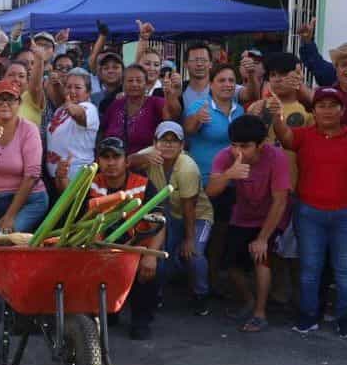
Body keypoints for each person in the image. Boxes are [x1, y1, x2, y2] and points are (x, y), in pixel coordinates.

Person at [271, 88, 347, 338]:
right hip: (309, 213)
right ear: (313, 110)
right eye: (321, 105)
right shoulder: (304, 135)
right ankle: (308, 317)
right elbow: (285, 137)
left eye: (333, 105)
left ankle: (346, 321)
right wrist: (276, 116)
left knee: (346, 271)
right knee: (310, 269)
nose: (327, 110)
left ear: (342, 111)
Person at [206, 116, 291, 333]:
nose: (238, 151)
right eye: (234, 145)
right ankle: (249, 300)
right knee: (231, 265)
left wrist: (263, 238)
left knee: (261, 258)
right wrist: (228, 175)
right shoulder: (225, 156)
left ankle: (260, 314)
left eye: (245, 146)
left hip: (271, 217)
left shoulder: (277, 157)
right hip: (242, 216)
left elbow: (280, 201)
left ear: (261, 145)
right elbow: (210, 192)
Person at [132, 121, 213, 315]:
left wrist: (190, 239)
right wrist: (140, 158)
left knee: (195, 255)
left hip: (197, 215)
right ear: (155, 142)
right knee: (160, 254)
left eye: (174, 141)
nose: (168, 145)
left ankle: (201, 294)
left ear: (182, 145)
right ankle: (155, 294)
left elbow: (189, 207)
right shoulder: (150, 154)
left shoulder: (188, 167)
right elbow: (126, 162)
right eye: (164, 140)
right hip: (166, 214)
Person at [89, 138, 163, 339]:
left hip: (135, 250)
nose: (111, 163)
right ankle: (110, 311)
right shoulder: (90, 184)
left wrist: (151, 256)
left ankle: (141, 319)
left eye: (116, 157)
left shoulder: (144, 185)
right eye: (105, 157)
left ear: (126, 161)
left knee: (150, 269)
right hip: (101, 251)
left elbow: (160, 224)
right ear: (98, 160)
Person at [0, 79, 49, 246]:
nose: (5, 104)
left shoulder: (29, 129)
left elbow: (32, 175)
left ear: (19, 103)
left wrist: (10, 216)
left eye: (10, 99)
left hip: (27, 200)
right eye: (0, 99)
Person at [46, 68, 99, 186]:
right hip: (56, 177)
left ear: (88, 92)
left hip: (75, 178)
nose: (72, 91)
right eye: (68, 87)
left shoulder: (89, 108)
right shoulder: (61, 109)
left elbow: (79, 113)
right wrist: (56, 86)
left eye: (78, 87)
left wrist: (69, 105)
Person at [100, 64, 166, 155]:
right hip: (114, 164)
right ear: (123, 84)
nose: (134, 84)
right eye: (130, 81)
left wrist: (171, 96)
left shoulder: (156, 103)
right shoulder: (115, 105)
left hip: (146, 164)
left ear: (146, 84)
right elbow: (102, 132)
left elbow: (172, 116)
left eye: (139, 81)